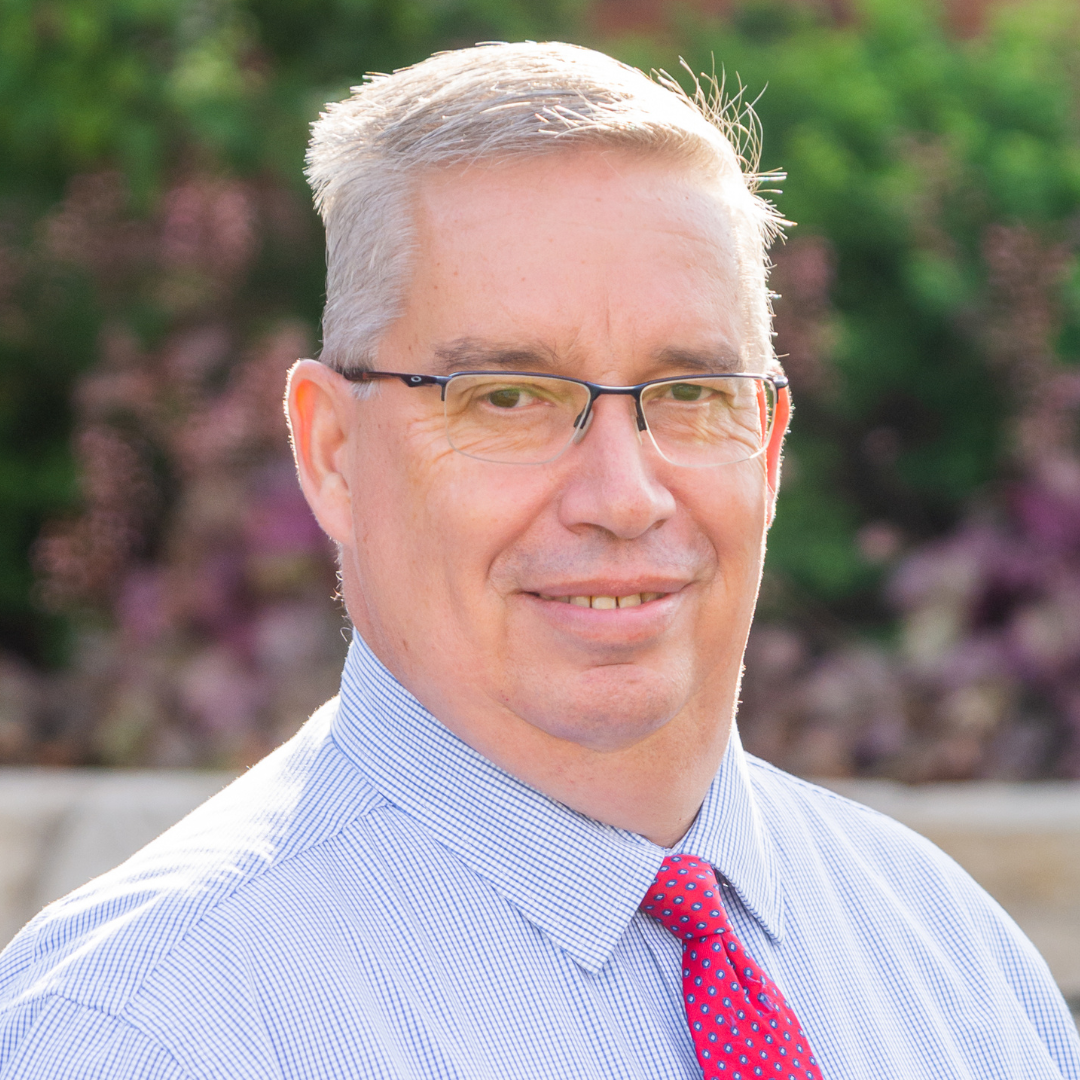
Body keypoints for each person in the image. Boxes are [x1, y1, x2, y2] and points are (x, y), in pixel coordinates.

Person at [0, 40, 1076, 1080]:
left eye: (691, 393)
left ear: (771, 445)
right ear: (332, 453)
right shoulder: (155, 1034)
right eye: (509, 397)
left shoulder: (961, 973)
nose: (624, 496)